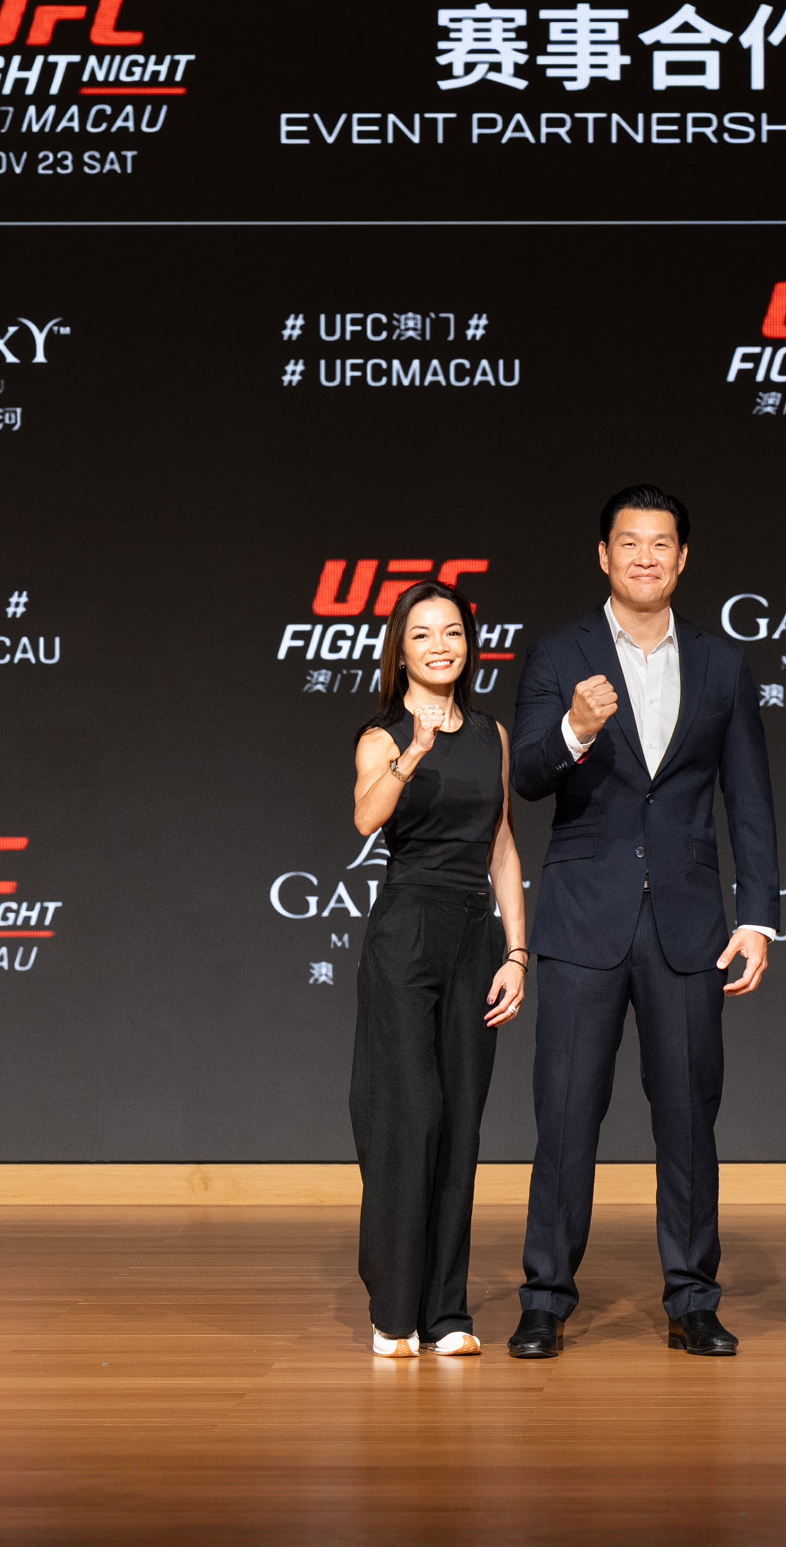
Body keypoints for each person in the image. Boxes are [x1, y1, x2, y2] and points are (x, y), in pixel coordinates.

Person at [506, 484, 783, 1358]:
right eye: (629, 543)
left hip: (691, 923)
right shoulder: (560, 655)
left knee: (689, 1117)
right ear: (603, 555)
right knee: (565, 1115)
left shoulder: (720, 661)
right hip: (585, 920)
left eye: (662, 543)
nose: (645, 557)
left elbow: (751, 801)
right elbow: (528, 775)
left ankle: (692, 1296)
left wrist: (761, 916)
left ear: (683, 558)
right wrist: (577, 729)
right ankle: (545, 1297)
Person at [347, 580, 529, 1359]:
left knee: (460, 1125)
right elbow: (365, 816)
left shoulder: (491, 733)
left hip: (472, 937)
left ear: (467, 643)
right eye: (422, 635)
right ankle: (394, 1309)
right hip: (407, 932)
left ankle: (447, 1310)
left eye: (450, 631)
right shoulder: (381, 736)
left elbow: (503, 846)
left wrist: (518, 952)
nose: (439, 645)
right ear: (402, 649)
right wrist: (411, 755)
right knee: (410, 1115)